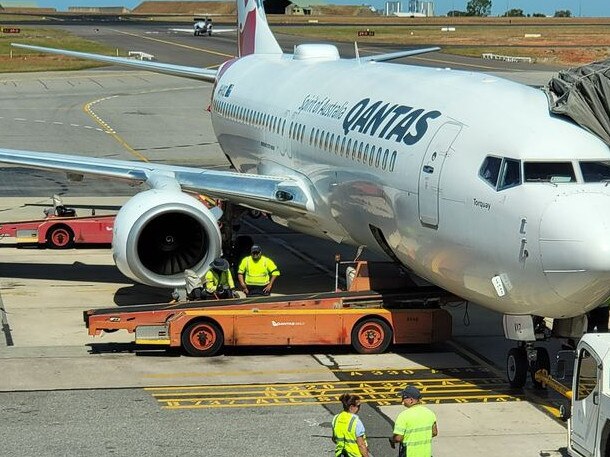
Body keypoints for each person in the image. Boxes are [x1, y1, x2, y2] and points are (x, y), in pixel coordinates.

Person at [390, 386, 437, 457]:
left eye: (403, 398)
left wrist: (392, 440)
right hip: (426, 454)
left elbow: (398, 438)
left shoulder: (404, 415)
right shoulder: (430, 413)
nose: (402, 401)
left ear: (411, 400)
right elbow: (434, 433)